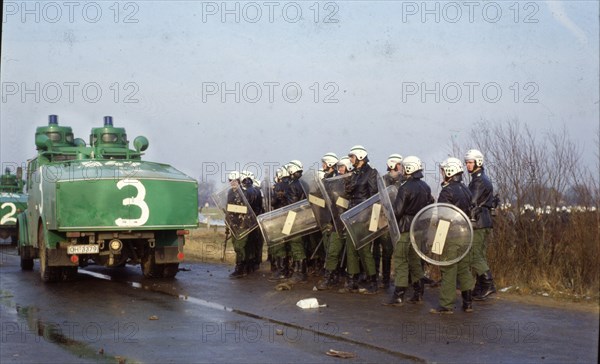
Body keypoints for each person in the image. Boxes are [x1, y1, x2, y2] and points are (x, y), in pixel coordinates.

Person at [385, 156, 434, 305]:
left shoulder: (405, 187)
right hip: (419, 229)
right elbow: (430, 204)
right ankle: (418, 293)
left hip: (406, 228)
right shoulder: (426, 187)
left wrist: (389, 208)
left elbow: (398, 211)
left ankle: (398, 295)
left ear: (408, 169)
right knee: (414, 261)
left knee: (400, 260)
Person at [430, 157, 474, 314]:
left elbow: (443, 218)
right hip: (466, 235)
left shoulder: (447, 191)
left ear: (449, 171)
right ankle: (468, 303)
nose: (442, 174)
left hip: (451, 235)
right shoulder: (466, 189)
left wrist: (437, 242)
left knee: (448, 269)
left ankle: (446, 305)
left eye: (443, 171)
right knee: (464, 269)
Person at [341, 145, 379, 294]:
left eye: (352, 157)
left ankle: (372, 281)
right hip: (352, 214)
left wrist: (371, 218)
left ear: (360, 157)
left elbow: (374, 196)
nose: (350, 159)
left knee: (364, 250)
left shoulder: (371, 173)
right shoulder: (354, 174)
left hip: (363, 215)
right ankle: (352, 280)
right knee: (351, 248)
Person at [464, 149, 497, 300]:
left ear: (478, 162)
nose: (467, 165)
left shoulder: (478, 181)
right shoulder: (482, 178)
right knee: (480, 255)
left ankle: (489, 284)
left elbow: (471, 202)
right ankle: (480, 286)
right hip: (484, 221)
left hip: (478, 222)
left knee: (474, 255)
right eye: (466, 163)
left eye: (470, 162)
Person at [374, 153, 403, 289]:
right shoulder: (383, 180)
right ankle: (384, 279)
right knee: (385, 250)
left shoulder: (403, 180)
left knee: (400, 252)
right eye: (399, 165)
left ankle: (402, 280)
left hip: (398, 220)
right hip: (384, 219)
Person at [285, 160, 309, 283]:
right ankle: (300, 270)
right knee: (301, 244)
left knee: (296, 244)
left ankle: (300, 273)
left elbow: (292, 205)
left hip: (294, 217)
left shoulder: (294, 184)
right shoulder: (304, 182)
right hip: (304, 218)